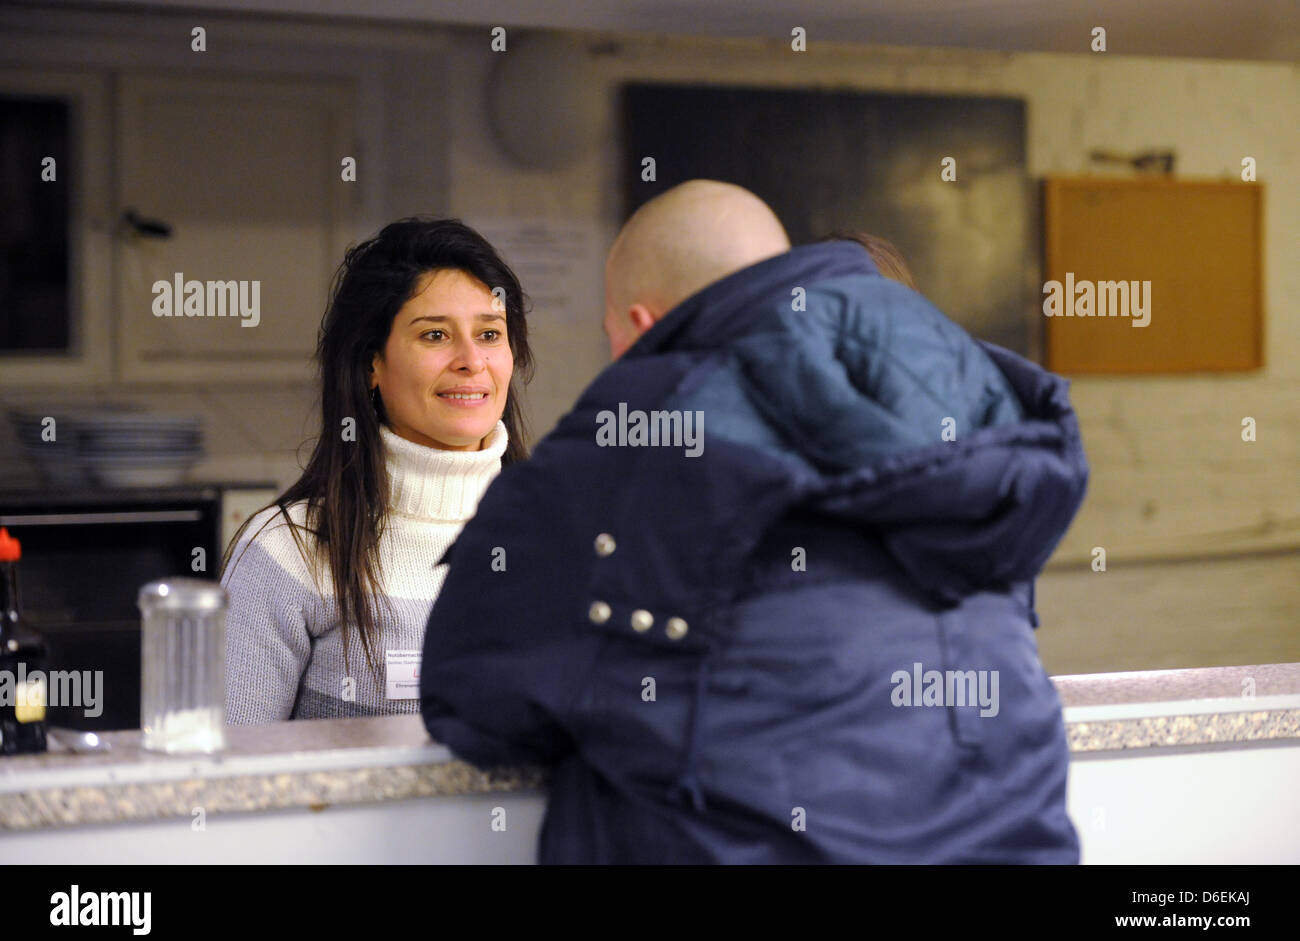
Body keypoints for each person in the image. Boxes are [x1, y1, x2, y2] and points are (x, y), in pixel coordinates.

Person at [419, 180, 1088, 863]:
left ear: (643, 326)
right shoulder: (971, 390)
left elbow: (470, 698)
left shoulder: (631, 440)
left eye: (612, 333)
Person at [221, 218, 533, 723]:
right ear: (372, 363)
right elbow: (226, 779)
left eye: (489, 334)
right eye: (435, 335)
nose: (471, 361)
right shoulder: (288, 550)